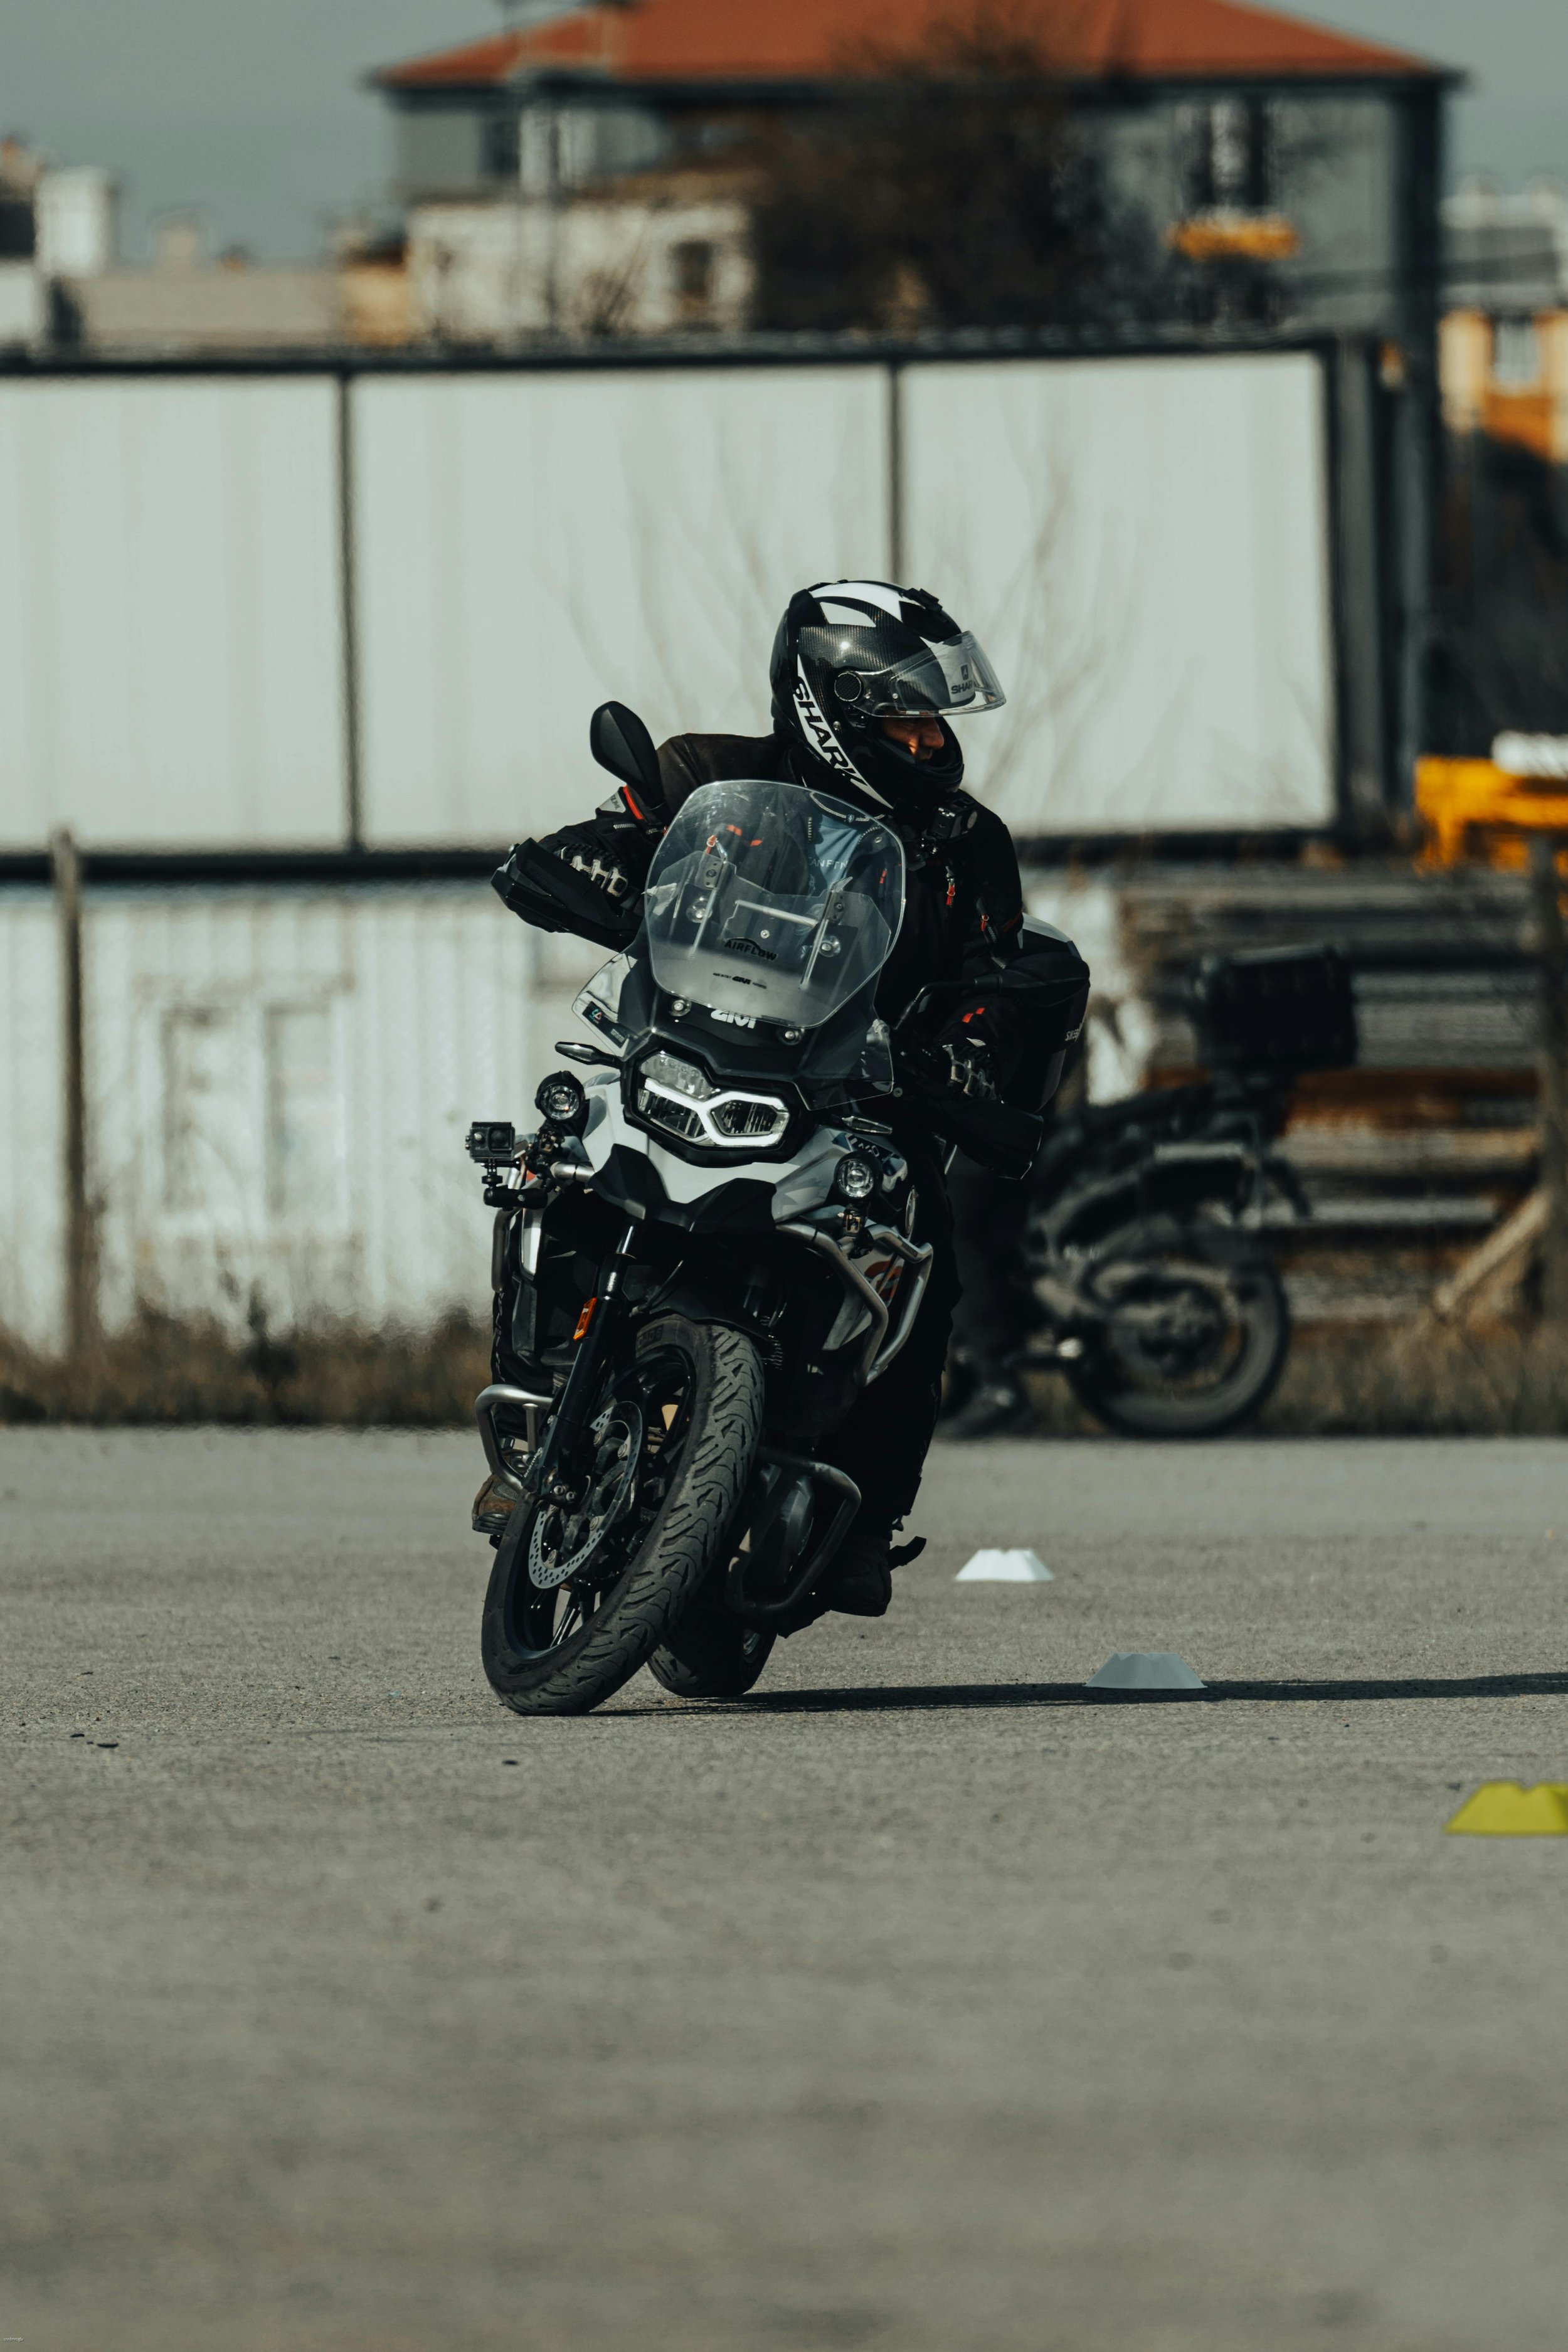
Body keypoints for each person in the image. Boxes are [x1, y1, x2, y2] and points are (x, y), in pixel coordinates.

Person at [493, 580, 1088, 1621]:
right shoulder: (705, 775)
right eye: (906, 710)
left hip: (855, 1104)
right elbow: (626, 840)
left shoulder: (965, 845)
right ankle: (542, 1396)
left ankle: (865, 1521)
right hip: (685, 1052)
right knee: (549, 1154)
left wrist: (969, 1054)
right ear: (833, 702)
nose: (931, 734)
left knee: (929, 1266)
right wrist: (587, 864)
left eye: (934, 711)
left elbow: (997, 980)